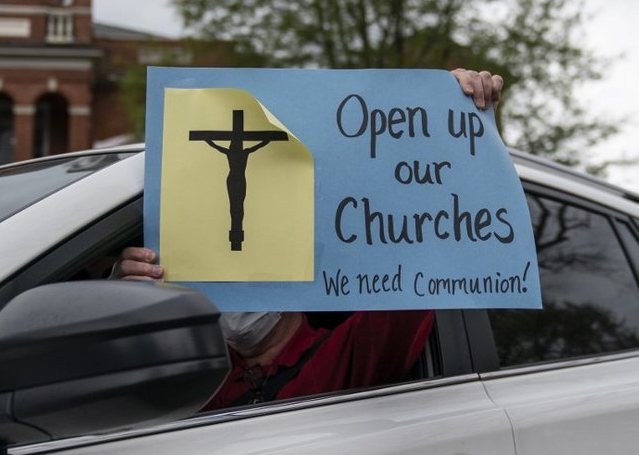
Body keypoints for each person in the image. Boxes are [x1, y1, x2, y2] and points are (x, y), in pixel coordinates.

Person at [116, 68, 504, 410]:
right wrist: (125, 302)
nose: (234, 278)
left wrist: (440, 112)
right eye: (222, 264)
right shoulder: (194, 381)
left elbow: (419, 268)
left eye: (256, 256)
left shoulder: (341, 358)